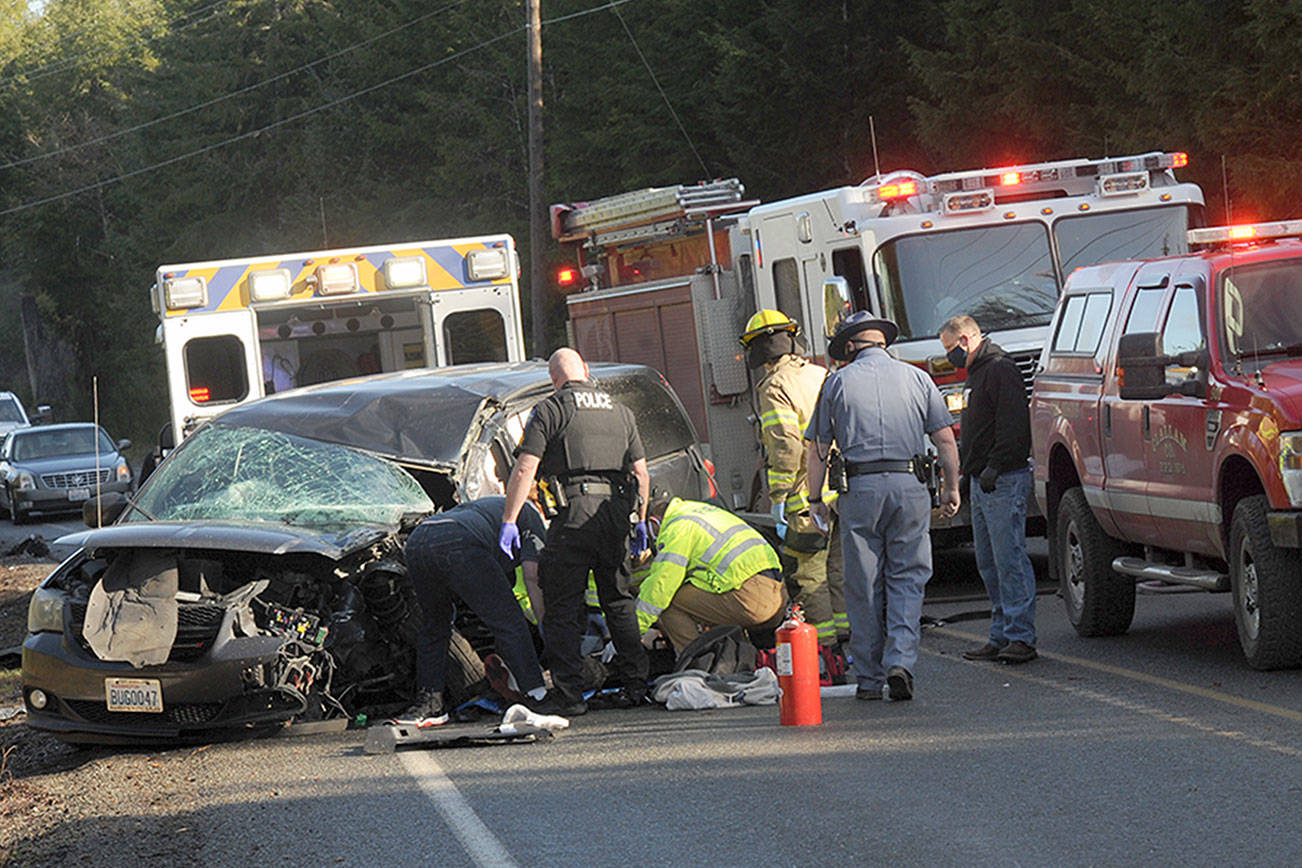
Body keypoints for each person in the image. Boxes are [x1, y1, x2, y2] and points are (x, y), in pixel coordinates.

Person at [805, 311, 960, 701]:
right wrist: (951, 488)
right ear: (883, 342)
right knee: (908, 578)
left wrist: (814, 500)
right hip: (910, 488)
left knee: (863, 584)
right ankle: (901, 662)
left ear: (852, 346)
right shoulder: (918, 378)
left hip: (860, 491)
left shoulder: (836, 383)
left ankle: (870, 679)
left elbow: (818, 450)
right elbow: (945, 441)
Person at [500, 348, 650, 715]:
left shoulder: (551, 409)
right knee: (618, 600)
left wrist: (508, 520)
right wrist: (642, 519)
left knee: (563, 604)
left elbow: (524, 470)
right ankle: (635, 686)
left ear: (555, 379)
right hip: (615, 515)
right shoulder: (621, 411)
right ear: (585, 370)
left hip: (574, 516)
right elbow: (642, 473)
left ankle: (569, 696)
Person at [738, 310, 849, 651]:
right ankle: (850, 640)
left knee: (808, 576)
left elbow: (785, 445)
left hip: (805, 498)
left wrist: (778, 497)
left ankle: (826, 653)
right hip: (839, 490)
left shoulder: (774, 386)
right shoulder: (821, 374)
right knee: (838, 572)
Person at [395, 496, 549, 727]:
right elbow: (532, 576)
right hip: (459, 539)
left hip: (418, 540)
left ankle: (430, 704)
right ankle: (536, 694)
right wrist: (548, 630)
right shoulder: (530, 515)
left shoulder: (489, 505)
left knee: (434, 626)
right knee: (509, 622)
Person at [939, 315, 1038, 664]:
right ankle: (1001, 635)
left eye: (950, 348)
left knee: (1008, 558)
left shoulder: (999, 368)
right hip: (983, 480)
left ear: (966, 340)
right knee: (989, 563)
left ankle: (1020, 636)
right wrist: (969, 474)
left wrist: (997, 465)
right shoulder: (977, 372)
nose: (948, 356)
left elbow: (1013, 424)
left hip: (1003, 479)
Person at [634, 491, 787, 654]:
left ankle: (699, 663)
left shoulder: (677, 528)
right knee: (700, 595)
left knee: (669, 602)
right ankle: (729, 659)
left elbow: (661, 586)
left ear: (653, 522)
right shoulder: (698, 511)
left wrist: (631, 633)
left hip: (752, 600)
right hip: (777, 597)